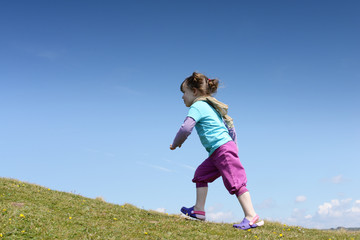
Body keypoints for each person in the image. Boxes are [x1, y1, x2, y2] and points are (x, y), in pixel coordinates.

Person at [170, 72, 264, 230]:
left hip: (222, 149)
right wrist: (234, 147)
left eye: (184, 92)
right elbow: (230, 129)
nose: (182, 97)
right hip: (217, 152)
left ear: (194, 92)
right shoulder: (209, 106)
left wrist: (176, 143)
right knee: (201, 174)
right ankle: (199, 210)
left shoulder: (198, 106)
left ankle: (251, 215)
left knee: (235, 181)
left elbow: (186, 128)